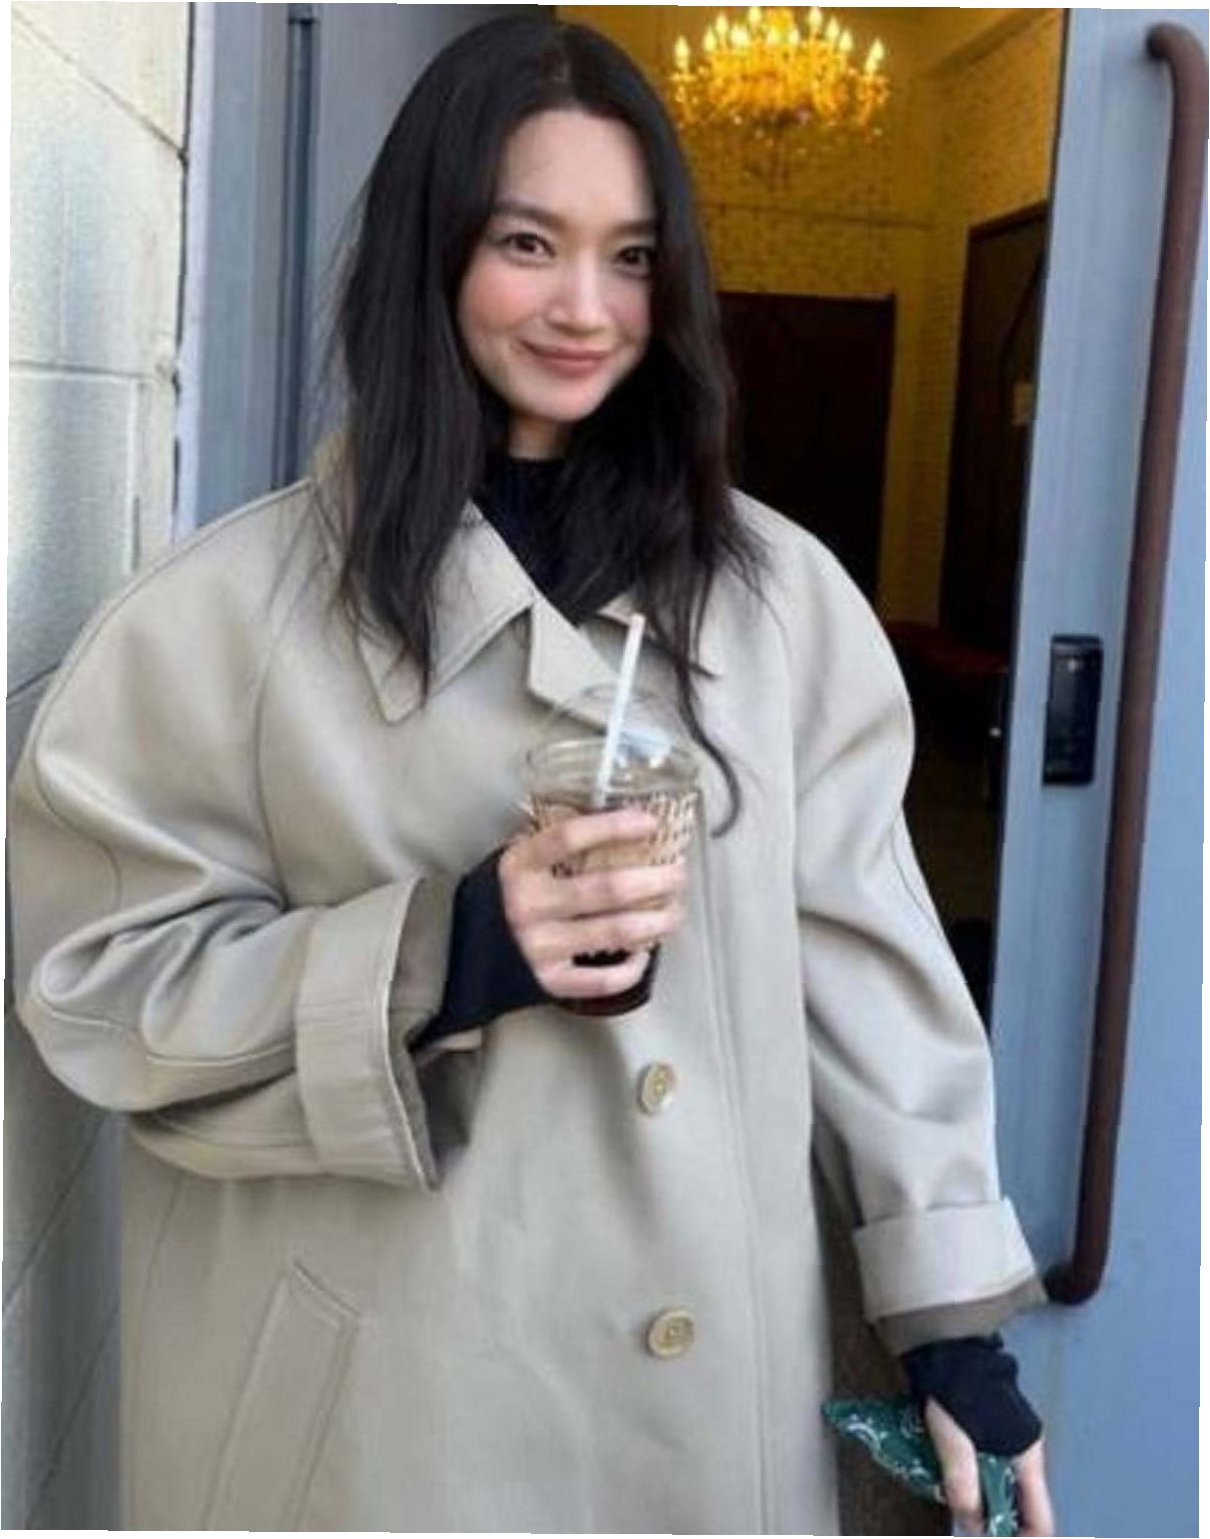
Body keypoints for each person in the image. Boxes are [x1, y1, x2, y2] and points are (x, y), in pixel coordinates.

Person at [9, 16, 1055, 1535]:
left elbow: (865, 971)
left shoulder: (779, 606)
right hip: (393, 1417)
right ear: (430, 254)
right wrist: (450, 948)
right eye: (526, 243)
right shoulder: (218, 621)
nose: (584, 307)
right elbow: (100, 988)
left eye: (631, 258)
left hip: (709, 1403)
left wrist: (949, 1317)